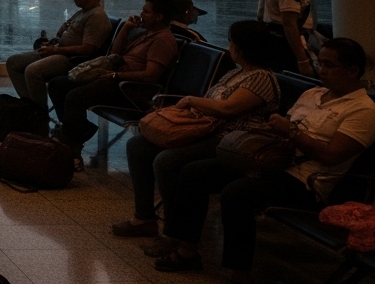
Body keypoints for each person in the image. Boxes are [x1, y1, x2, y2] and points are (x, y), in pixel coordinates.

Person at [156, 38, 375, 276]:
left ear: (353, 71)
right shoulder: (314, 93)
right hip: (273, 159)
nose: (321, 70)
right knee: (194, 172)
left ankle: (237, 269)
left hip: (306, 179)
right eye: (319, 62)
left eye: (329, 65)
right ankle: (186, 250)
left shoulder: (363, 110)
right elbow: (286, 126)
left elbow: (331, 155)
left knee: (237, 193)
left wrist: (291, 132)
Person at [111, 21, 280, 243]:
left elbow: (227, 108)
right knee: (138, 146)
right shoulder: (235, 74)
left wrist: (191, 100)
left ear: (240, 47)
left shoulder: (261, 77)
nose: (229, 46)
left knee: (167, 161)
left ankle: (174, 232)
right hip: (206, 129)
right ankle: (144, 217)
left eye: (231, 42)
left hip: (231, 140)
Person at [47, 0, 180, 161]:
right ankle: (78, 130)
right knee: (58, 85)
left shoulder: (163, 41)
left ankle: (71, 148)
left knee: (75, 97)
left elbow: (150, 75)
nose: (141, 15)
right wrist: (126, 29)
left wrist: (117, 75)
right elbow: (114, 55)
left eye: (146, 12)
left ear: (159, 16)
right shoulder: (146, 34)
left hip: (128, 89)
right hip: (115, 79)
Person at [5, 0, 111, 108]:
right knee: (13, 62)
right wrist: (54, 43)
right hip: (59, 52)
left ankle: (39, 112)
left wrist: (55, 50)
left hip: (71, 60)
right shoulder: (83, 13)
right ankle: (29, 105)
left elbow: (88, 49)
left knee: (33, 71)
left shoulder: (97, 17)